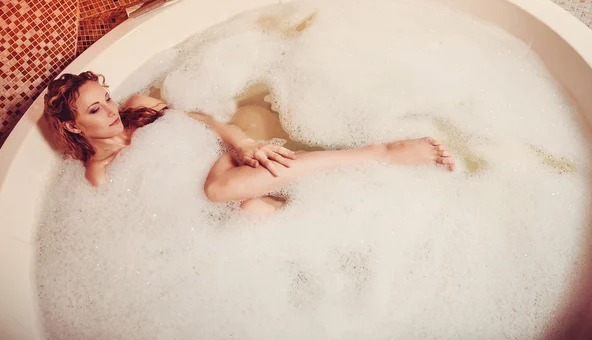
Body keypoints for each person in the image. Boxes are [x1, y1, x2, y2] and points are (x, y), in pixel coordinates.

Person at [43, 71, 455, 214]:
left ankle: (377, 153)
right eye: (94, 111)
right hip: (204, 203)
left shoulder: (138, 107)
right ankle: (302, 203)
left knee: (220, 187)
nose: (111, 110)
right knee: (251, 211)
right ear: (74, 127)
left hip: (223, 157)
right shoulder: (98, 174)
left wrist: (240, 142)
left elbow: (200, 119)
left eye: (106, 99)